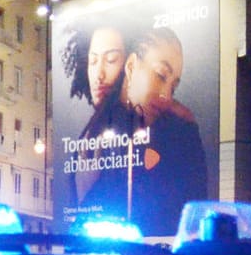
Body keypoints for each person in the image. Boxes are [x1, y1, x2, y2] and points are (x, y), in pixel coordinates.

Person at [79, 27, 205, 234]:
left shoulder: (182, 134)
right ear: (131, 66)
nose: (166, 95)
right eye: (161, 75)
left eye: (173, 87)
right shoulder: (94, 135)